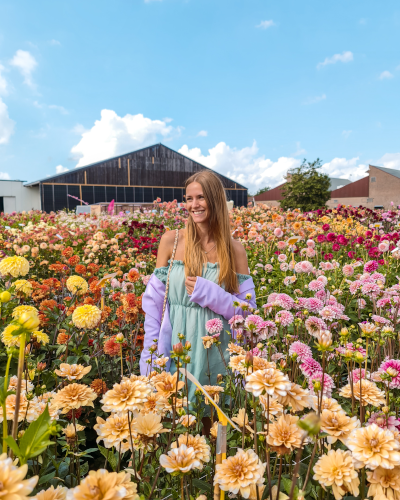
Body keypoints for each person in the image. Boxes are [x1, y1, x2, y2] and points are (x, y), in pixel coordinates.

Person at [139, 170, 256, 399]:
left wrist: (211, 293)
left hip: (219, 353)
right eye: (189, 199)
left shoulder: (235, 250)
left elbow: (248, 315)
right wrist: (151, 357)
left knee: (214, 424)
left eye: (201, 197)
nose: (194, 205)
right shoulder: (171, 241)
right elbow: (154, 307)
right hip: (176, 348)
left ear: (215, 200)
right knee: (176, 421)